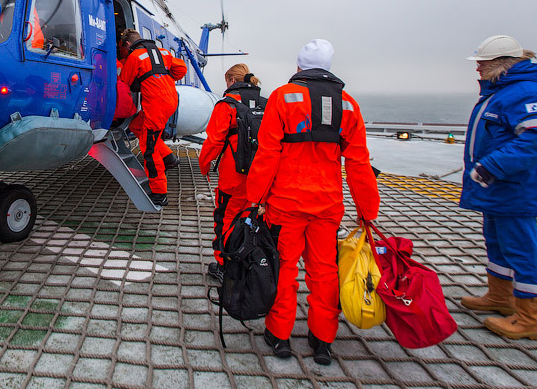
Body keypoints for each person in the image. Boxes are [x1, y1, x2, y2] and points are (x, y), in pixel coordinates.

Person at [245, 39, 379, 364]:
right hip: (327, 205)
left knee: (285, 269)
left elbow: (267, 154)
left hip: (286, 203)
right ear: (329, 67)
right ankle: (322, 341)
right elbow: (359, 163)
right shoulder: (349, 105)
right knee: (325, 272)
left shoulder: (282, 98)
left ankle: (279, 336)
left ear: (299, 66)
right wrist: (367, 212)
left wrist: (256, 198)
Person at [460, 35, 537, 341]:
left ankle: (529, 318)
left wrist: (491, 167)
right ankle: (500, 297)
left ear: (501, 63)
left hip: (516, 189)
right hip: (499, 189)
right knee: (497, 243)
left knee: (521, 249)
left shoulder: (525, 92)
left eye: (482, 62)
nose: (477, 67)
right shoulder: (503, 91)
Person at [199, 63, 266, 282]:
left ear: (232, 81)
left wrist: (205, 165)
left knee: (226, 219)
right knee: (256, 219)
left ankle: (224, 266)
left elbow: (214, 141)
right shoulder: (268, 104)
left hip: (234, 177)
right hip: (263, 176)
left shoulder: (227, 105)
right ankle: (254, 262)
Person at [118, 29, 187, 206]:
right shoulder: (163, 52)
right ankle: (168, 157)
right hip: (170, 100)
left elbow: (125, 81)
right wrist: (162, 77)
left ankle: (159, 193)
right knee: (136, 126)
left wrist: (146, 80)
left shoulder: (135, 56)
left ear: (127, 44)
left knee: (149, 148)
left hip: (156, 105)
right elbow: (181, 69)